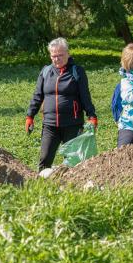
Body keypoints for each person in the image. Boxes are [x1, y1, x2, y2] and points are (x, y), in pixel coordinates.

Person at [26, 37, 97, 171]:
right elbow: (37, 96)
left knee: (73, 161)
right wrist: (30, 116)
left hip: (72, 124)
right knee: (44, 159)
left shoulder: (77, 71)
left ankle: (72, 188)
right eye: (54, 56)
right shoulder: (46, 71)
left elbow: (85, 95)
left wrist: (91, 116)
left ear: (68, 54)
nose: (57, 59)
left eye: (60, 55)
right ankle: (42, 186)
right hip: (50, 125)